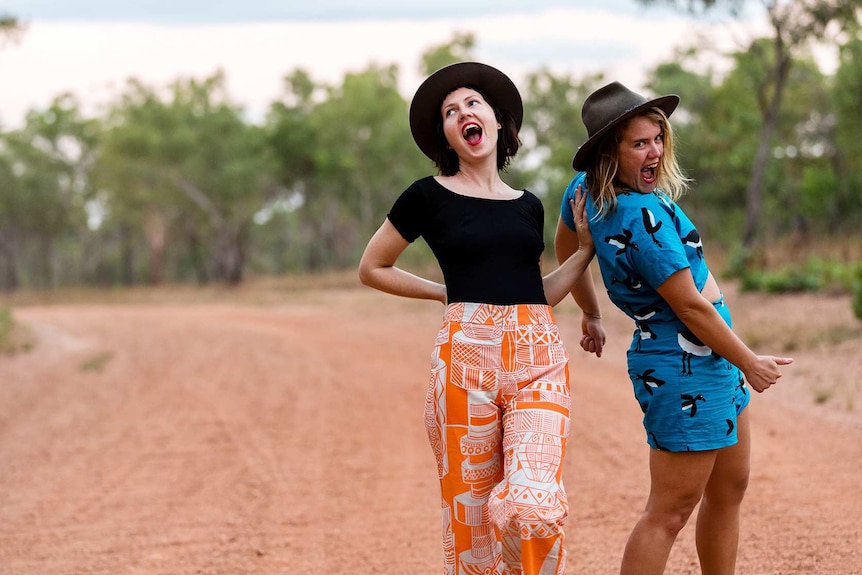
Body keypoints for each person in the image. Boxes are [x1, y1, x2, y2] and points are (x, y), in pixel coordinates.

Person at [358, 61, 597, 575]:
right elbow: (372, 266)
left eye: (472, 103)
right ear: (446, 134)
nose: (462, 112)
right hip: (466, 365)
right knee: (471, 532)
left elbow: (538, 295)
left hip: (538, 358)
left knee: (533, 505)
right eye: (449, 111)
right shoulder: (426, 196)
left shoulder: (528, 205)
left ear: (495, 119)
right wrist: (444, 293)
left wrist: (581, 254)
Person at [556, 81, 794, 575]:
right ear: (609, 153)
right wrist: (749, 361)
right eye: (639, 143)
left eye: (657, 138)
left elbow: (566, 245)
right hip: (688, 367)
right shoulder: (641, 216)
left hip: (711, 360)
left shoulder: (583, 193)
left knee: (729, 489)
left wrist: (591, 311)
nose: (655, 151)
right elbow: (689, 307)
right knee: (668, 512)